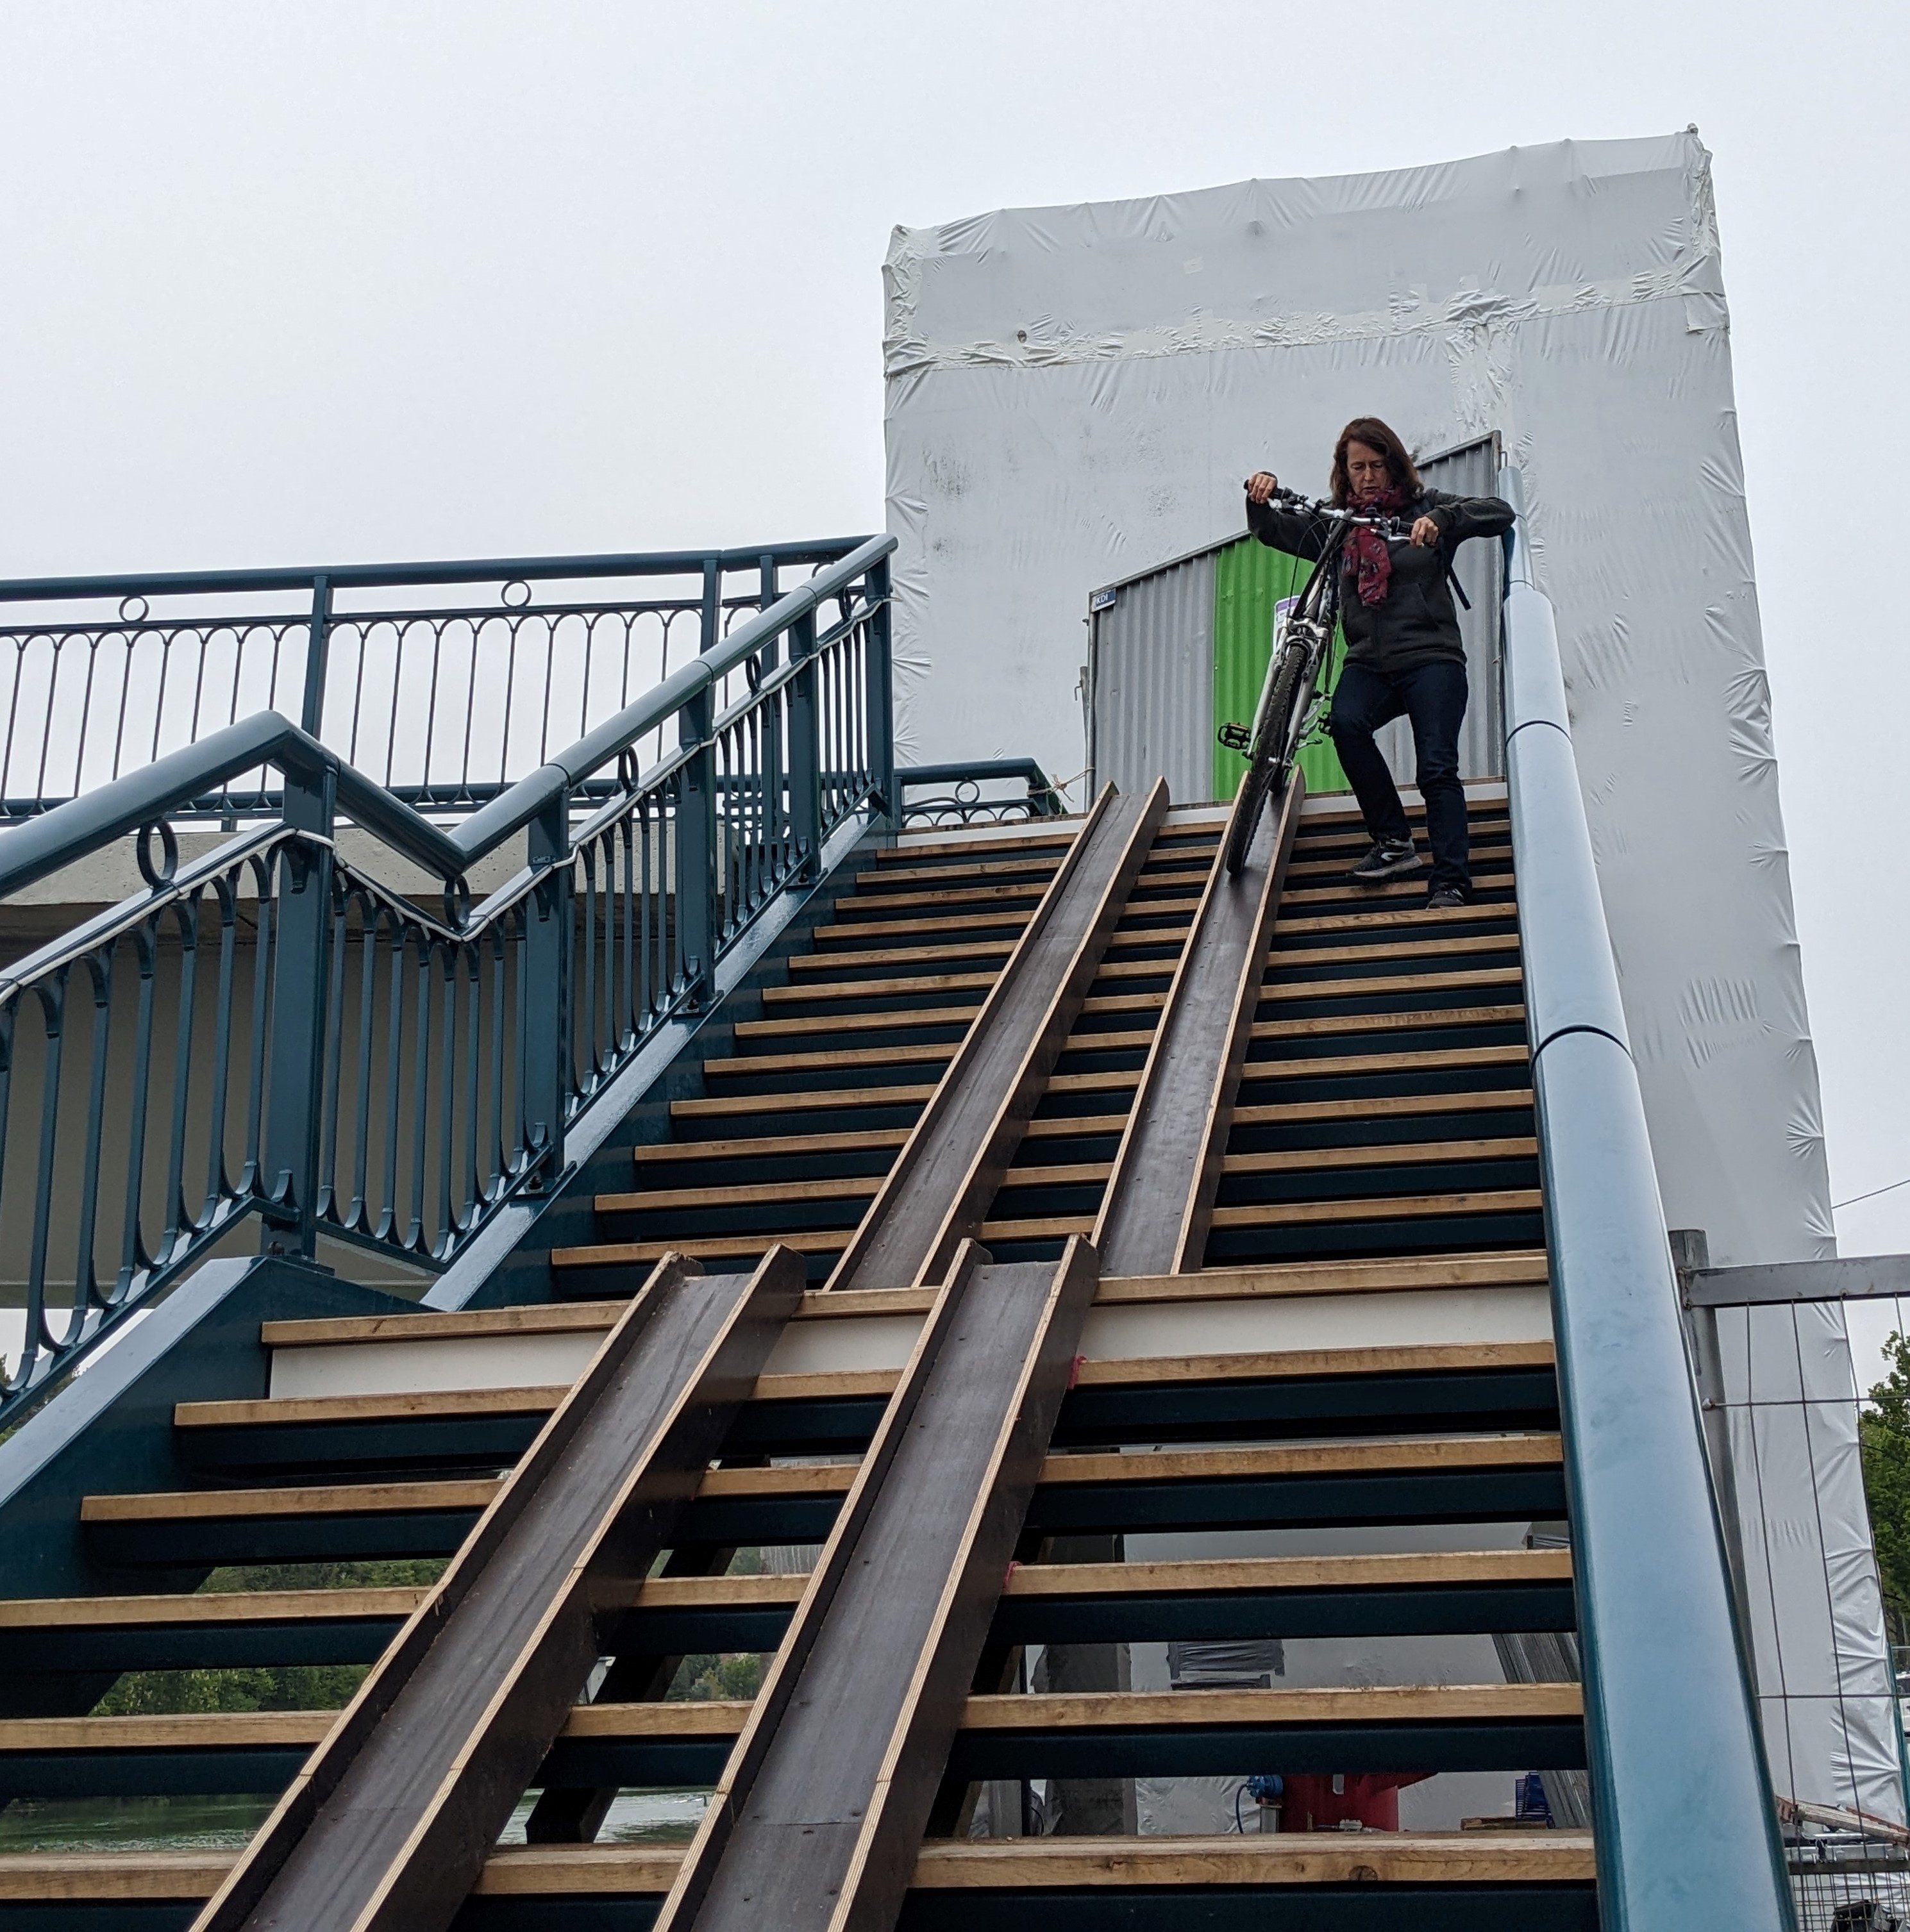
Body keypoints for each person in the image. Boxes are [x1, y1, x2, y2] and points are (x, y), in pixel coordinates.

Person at [1244, 419, 1514, 908]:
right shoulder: (1340, 526)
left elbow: (1499, 512)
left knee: (1435, 767)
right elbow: (1274, 531)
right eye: (1356, 468)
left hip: (1432, 659)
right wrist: (1257, 496)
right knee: (1345, 723)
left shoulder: (1425, 508)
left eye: (1376, 465)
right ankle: (1393, 841)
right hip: (1369, 662)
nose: (1367, 476)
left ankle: (1450, 883)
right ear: (1343, 474)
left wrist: (1444, 523)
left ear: (1394, 466)